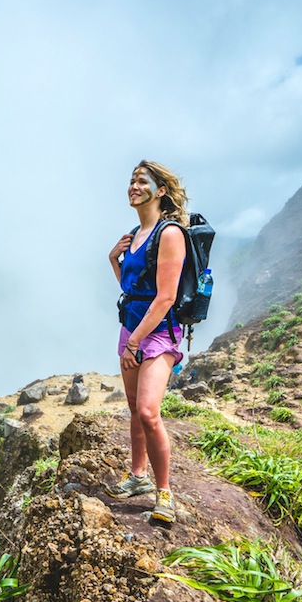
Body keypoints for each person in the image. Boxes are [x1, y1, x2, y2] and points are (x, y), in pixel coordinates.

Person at [105, 160, 188, 524]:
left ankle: (164, 492)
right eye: (132, 181)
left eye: (142, 181)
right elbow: (132, 290)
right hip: (133, 329)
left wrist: (135, 342)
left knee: (149, 412)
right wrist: (114, 260)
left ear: (162, 191)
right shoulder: (135, 235)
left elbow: (166, 297)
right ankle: (138, 476)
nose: (134, 186)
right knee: (134, 406)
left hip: (157, 335)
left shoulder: (170, 234)